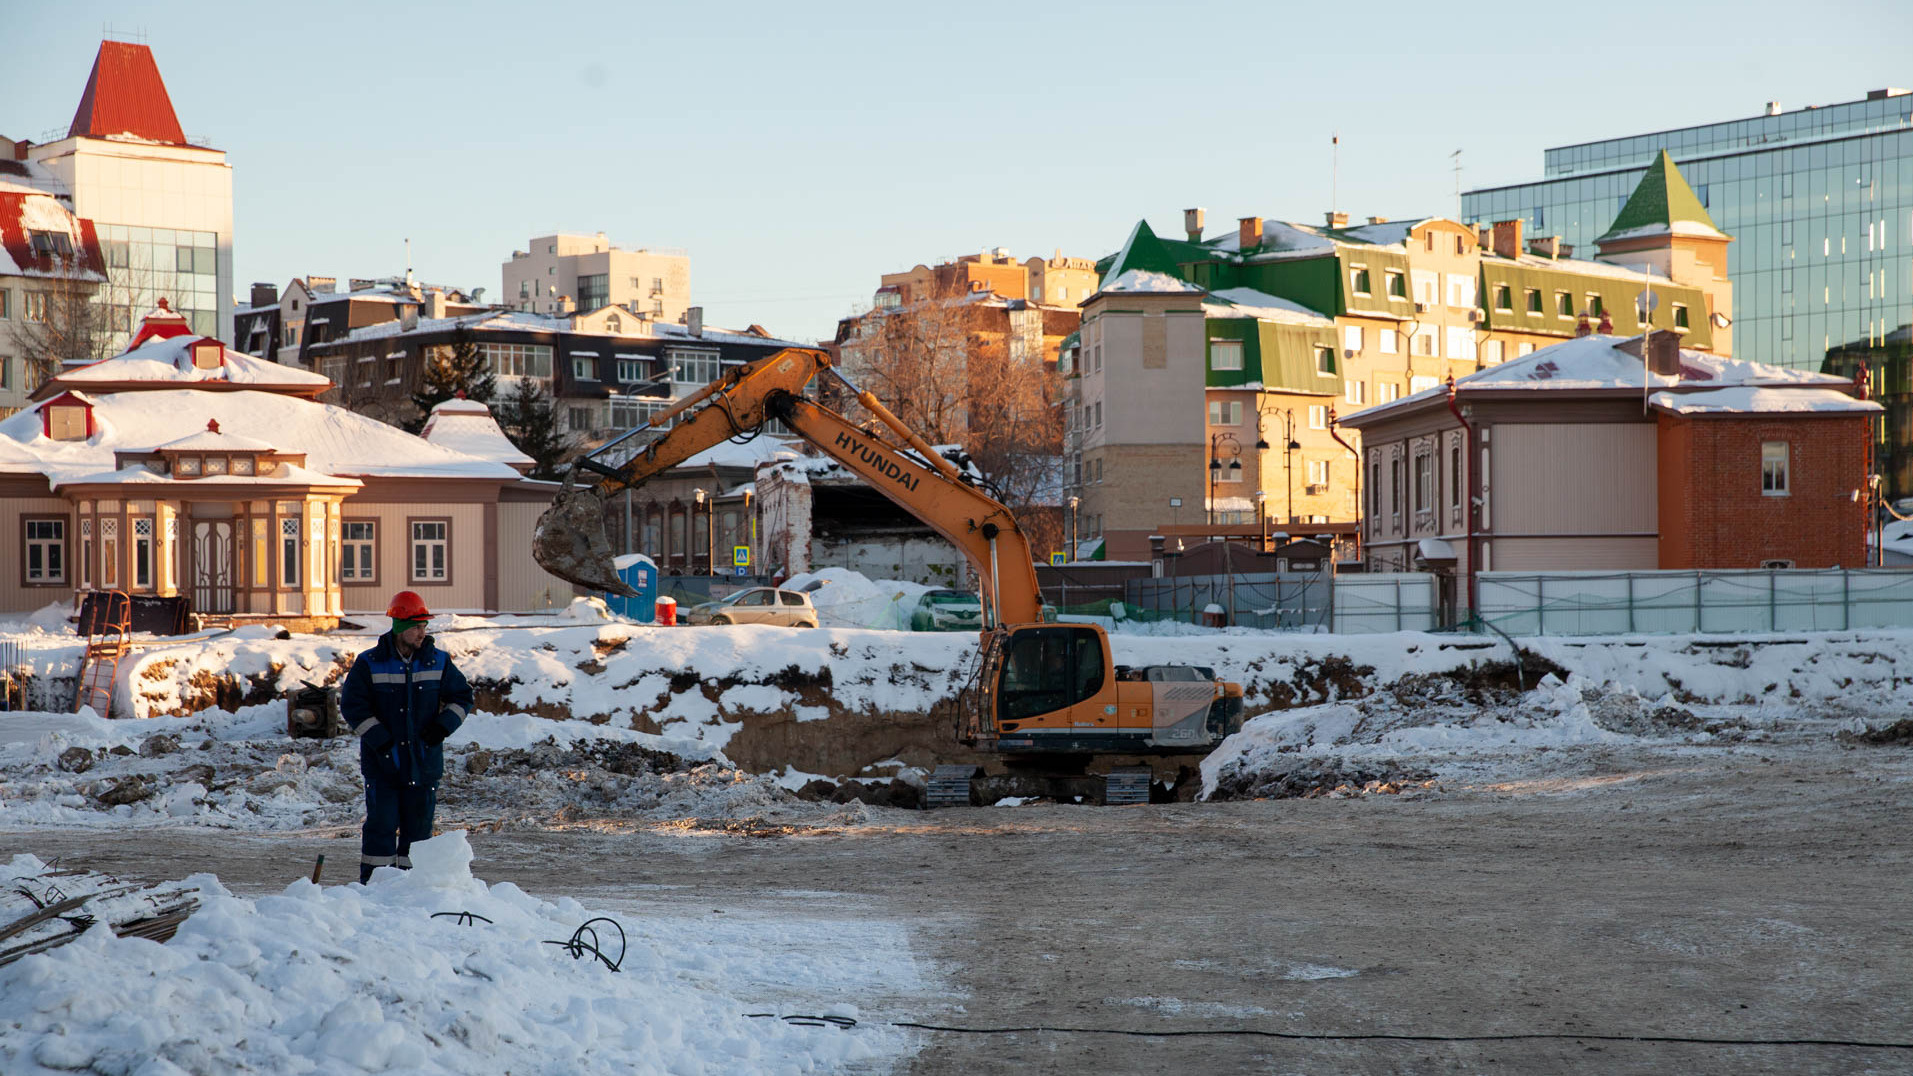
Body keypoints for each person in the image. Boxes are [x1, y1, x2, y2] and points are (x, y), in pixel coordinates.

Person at [340, 590, 472, 884]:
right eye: (416, 626)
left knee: (419, 835)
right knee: (381, 828)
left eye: (425, 626)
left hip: (424, 765)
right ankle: (375, 889)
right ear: (399, 627)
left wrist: (442, 727)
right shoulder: (369, 663)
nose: (422, 632)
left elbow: (463, 698)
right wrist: (380, 740)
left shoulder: (438, 661)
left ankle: (413, 890)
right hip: (383, 764)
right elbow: (352, 706)